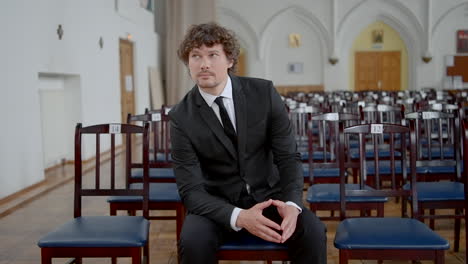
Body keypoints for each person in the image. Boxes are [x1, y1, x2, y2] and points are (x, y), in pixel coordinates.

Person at [169, 22, 327, 264]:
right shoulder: (181, 116)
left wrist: (293, 204)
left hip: (271, 198)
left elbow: (288, 157)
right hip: (217, 205)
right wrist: (239, 216)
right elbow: (190, 191)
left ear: (230, 59)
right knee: (192, 240)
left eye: (213, 55)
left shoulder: (263, 92)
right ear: (188, 62)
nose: (204, 64)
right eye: (195, 56)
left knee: (313, 232)